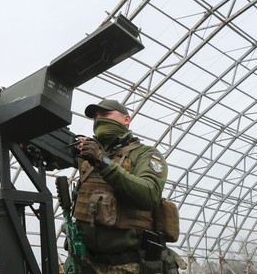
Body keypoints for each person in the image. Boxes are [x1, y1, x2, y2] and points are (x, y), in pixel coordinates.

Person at [63, 99, 184, 274]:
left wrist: (102, 162)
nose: (99, 120)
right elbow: (51, 154)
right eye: (95, 117)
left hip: (131, 266)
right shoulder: (87, 155)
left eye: (105, 114)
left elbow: (149, 193)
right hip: (88, 263)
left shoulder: (146, 154)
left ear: (126, 119)